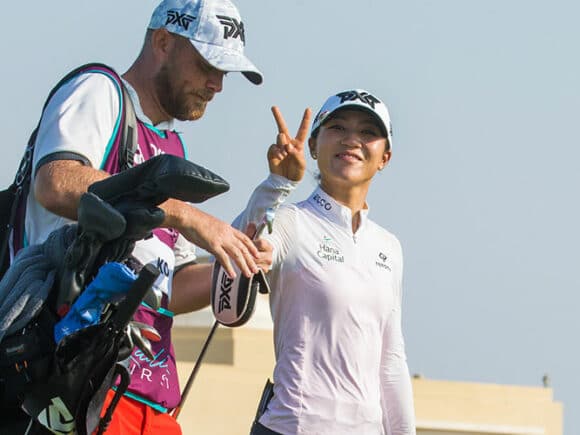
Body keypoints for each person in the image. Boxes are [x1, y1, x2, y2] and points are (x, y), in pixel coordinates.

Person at [10, 0, 271, 433]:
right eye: (208, 64)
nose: (217, 85)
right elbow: (56, 181)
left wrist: (235, 263)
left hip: (144, 392)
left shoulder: (172, 146)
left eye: (224, 73)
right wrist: (183, 214)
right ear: (163, 42)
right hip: (71, 383)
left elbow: (171, 285)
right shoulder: (98, 90)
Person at [232, 90, 417, 434]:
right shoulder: (290, 222)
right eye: (337, 128)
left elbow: (391, 361)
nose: (351, 140)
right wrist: (277, 183)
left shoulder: (389, 247)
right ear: (314, 146)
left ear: (385, 157)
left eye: (367, 132)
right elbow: (238, 249)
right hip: (292, 427)